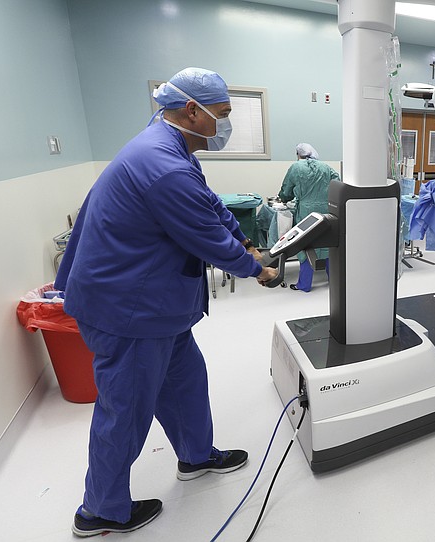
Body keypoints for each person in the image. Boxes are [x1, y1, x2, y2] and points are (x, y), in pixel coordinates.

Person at [55, 67, 278, 537]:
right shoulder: (164, 166)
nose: (224, 125)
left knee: (185, 383)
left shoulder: (170, 146)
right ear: (192, 110)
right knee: (126, 411)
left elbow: (211, 206)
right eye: (221, 115)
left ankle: (196, 455)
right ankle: (100, 510)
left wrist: (246, 239)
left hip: (158, 306)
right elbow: (206, 238)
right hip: (129, 310)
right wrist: (257, 268)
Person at [277, 143, 340, 291]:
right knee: (328, 244)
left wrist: (284, 198)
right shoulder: (327, 167)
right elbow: (337, 184)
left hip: (306, 213)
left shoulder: (296, 167)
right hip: (326, 211)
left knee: (304, 246)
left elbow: (286, 190)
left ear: (298, 154)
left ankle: (304, 284)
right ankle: (334, 281)